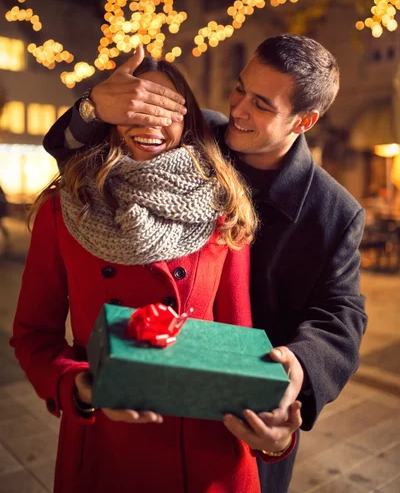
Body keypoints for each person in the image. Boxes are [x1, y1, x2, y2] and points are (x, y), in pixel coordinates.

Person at [41, 34, 368, 493]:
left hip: (243, 408)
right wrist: (95, 105)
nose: (238, 109)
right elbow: (71, 150)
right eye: (239, 88)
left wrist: (300, 365)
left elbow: (341, 311)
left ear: (304, 120)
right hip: (139, 400)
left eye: (261, 104)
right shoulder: (199, 131)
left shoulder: (334, 211)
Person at [11, 58, 301, 493]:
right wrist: (82, 387)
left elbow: (237, 344)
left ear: (187, 122)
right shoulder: (65, 207)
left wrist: (273, 438)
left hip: (206, 449)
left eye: (166, 109)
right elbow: (33, 335)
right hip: (109, 448)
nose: (150, 122)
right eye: (134, 108)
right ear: (110, 117)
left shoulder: (222, 208)